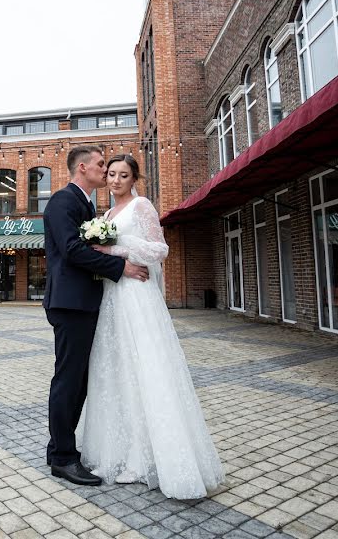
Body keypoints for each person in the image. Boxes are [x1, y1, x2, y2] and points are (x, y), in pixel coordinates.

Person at [79, 154, 224, 499]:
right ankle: (120, 452)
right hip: (113, 297)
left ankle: (145, 460)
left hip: (137, 297)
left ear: (134, 179)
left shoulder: (141, 205)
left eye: (123, 175)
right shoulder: (107, 215)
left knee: (145, 370)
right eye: (111, 174)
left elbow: (160, 250)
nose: (115, 180)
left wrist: (116, 247)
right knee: (117, 372)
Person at [43, 145, 151, 486]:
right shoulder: (63, 201)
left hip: (85, 303)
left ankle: (58, 448)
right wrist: (120, 266)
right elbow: (73, 250)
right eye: (101, 165)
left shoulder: (88, 205)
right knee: (68, 381)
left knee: (80, 383)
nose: (106, 171)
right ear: (83, 169)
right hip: (70, 304)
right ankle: (62, 458)